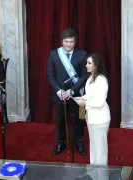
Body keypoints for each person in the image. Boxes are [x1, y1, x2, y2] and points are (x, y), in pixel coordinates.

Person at [47, 28, 88, 156]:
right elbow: (50, 74)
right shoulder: (54, 54)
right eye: (66, 41)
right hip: (59, 95)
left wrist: (72, 91)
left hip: (76, 94)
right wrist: (59, 91)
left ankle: (79, 143)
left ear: (75, 42)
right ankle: (60, 143)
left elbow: (84, 76)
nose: (68, 44)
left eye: (71, 41)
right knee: (60, 120)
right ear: (62, 41)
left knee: (77, 120)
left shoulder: (82, 54)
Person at [74, 53, 110, 166]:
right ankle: (94, 174)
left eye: (89, 63)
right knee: (94, 148)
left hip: (100, 119)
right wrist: (82, 97)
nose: (86, 66)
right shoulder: (90, 77)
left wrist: (84, 103)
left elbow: (100, 102)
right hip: (91, 118)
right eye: (86, 63)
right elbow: (90, 95)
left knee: (100, 150)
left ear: (96, 65)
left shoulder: (101, 80)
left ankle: (102, 176)